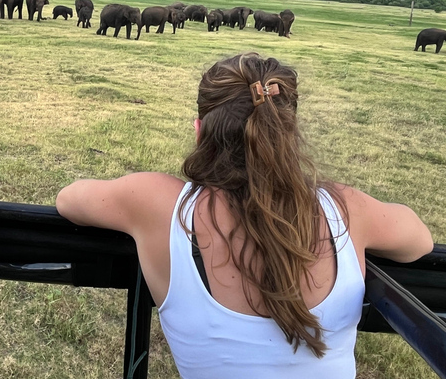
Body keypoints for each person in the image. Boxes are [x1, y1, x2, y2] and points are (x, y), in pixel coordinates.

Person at [56, 53, 433, 378]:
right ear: (288, 133)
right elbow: (420, 241)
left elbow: (68, 200)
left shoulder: (156, 203)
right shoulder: (346, 209)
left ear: (200, 131)